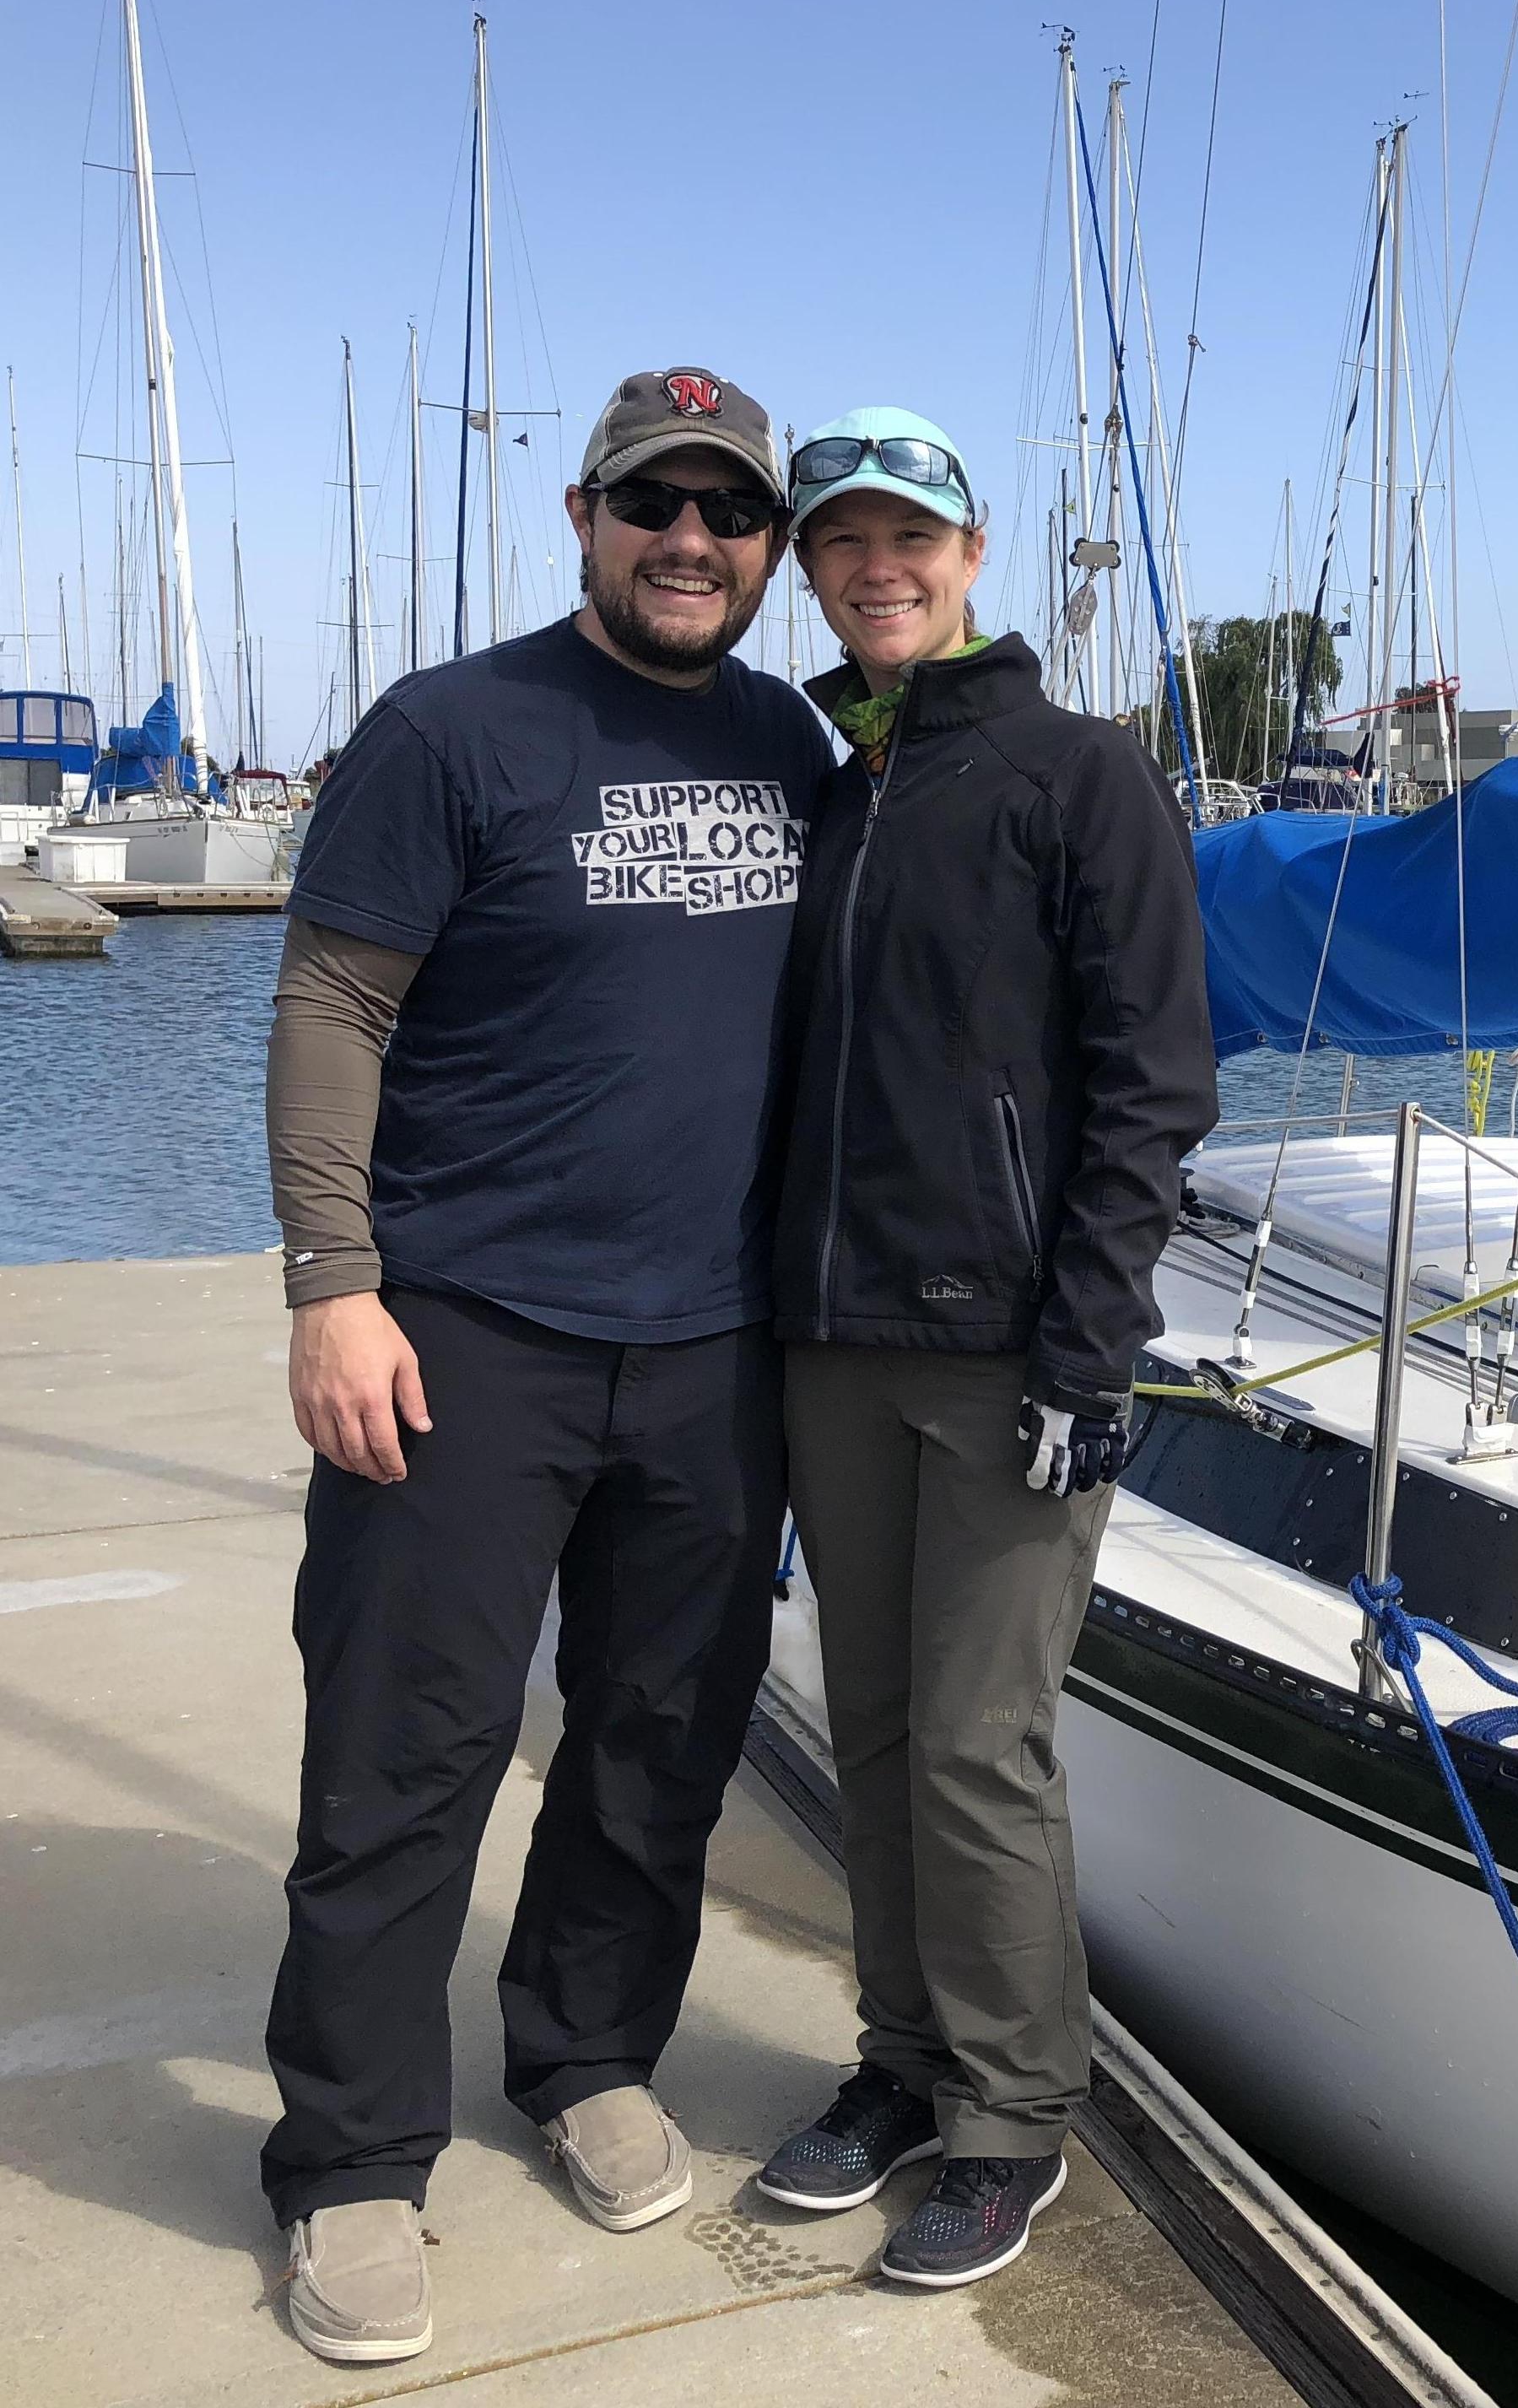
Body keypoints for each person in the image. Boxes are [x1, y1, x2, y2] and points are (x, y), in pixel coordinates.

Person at [260, 369, 831, 2366]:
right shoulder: (452, 727)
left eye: (730, 513)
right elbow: (334, 997)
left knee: (656, 1744)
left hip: (713, 1347)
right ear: (583, 515)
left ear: (769, 545)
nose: (693, 541)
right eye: (653, 503)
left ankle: (584, 2053)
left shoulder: (790, 736)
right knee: (400, 1755)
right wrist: (336, 1279)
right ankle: (347, 2159)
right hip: (465, 1334)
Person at [751, 408, 1215, 2287]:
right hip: (827, 1335)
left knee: (972, 1743)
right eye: (844, 540)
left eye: (910, 536)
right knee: (866, 1732)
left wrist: (1086, 1357)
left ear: (972, 550)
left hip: (1006, 1348)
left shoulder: (1071, 773)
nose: (878, 565)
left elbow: (1151, 1083)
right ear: (810, 564)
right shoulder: (833, 779)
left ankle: (1014, 2112)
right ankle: (902, 2060)